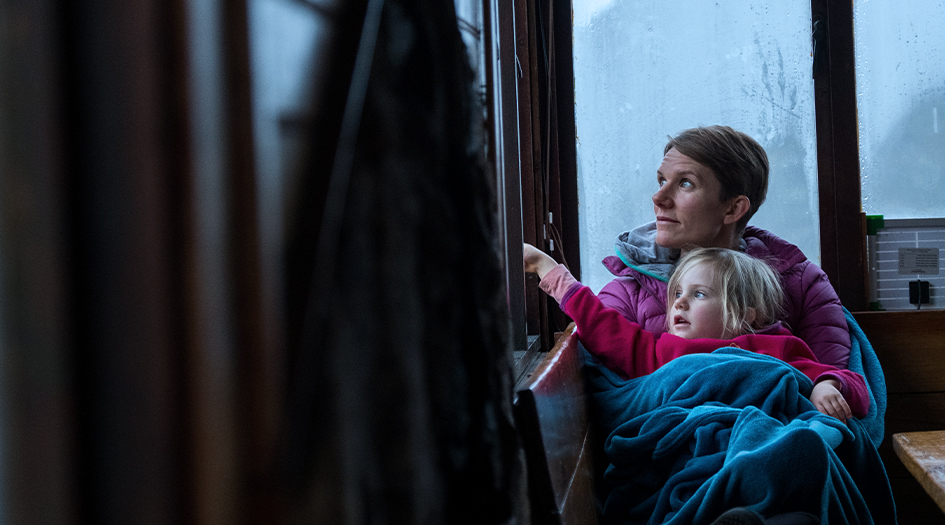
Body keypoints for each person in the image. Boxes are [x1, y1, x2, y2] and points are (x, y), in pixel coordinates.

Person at [598, 125, 852, 369]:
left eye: (685, 183)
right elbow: (606, 397)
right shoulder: (626, 292)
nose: (658, 198)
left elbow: (833, 388)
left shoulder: (802, 284)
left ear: (733, 208)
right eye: (661, 181)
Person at [524, 243, 868, 421]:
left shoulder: (777, 349)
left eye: (699, 294)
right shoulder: (660, 350)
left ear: (744, 314)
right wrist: (549, 270)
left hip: (759, 443)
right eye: (677, 294)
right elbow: (602, 326)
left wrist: (826, 385)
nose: (679, 304)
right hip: (697, 454)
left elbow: (853, 384)